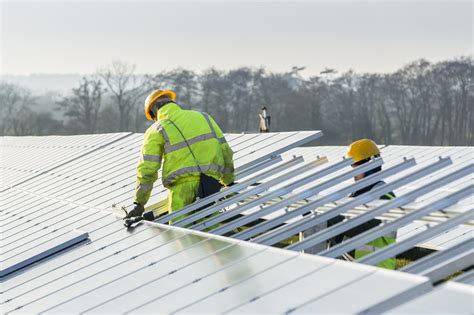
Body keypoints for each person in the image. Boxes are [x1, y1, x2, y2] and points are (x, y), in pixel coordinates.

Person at [125, 89, 235, 222]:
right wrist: (228, 181)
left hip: (181, 192)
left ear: (154, 112)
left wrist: (139, 202)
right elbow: (226, 152)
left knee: (182, 237)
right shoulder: (204, 117)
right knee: (211, 234)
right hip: (211, 187)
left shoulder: (156, 129)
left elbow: (147, 169)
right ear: (172, 102)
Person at [328, 138, 397, 269]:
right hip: (355, 270)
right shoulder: (355, 196)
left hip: (378, 273)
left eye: (356, 167)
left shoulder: (383, 196)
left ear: (371, 166)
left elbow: (362, 228)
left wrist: (328, 217)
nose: (352, 172)